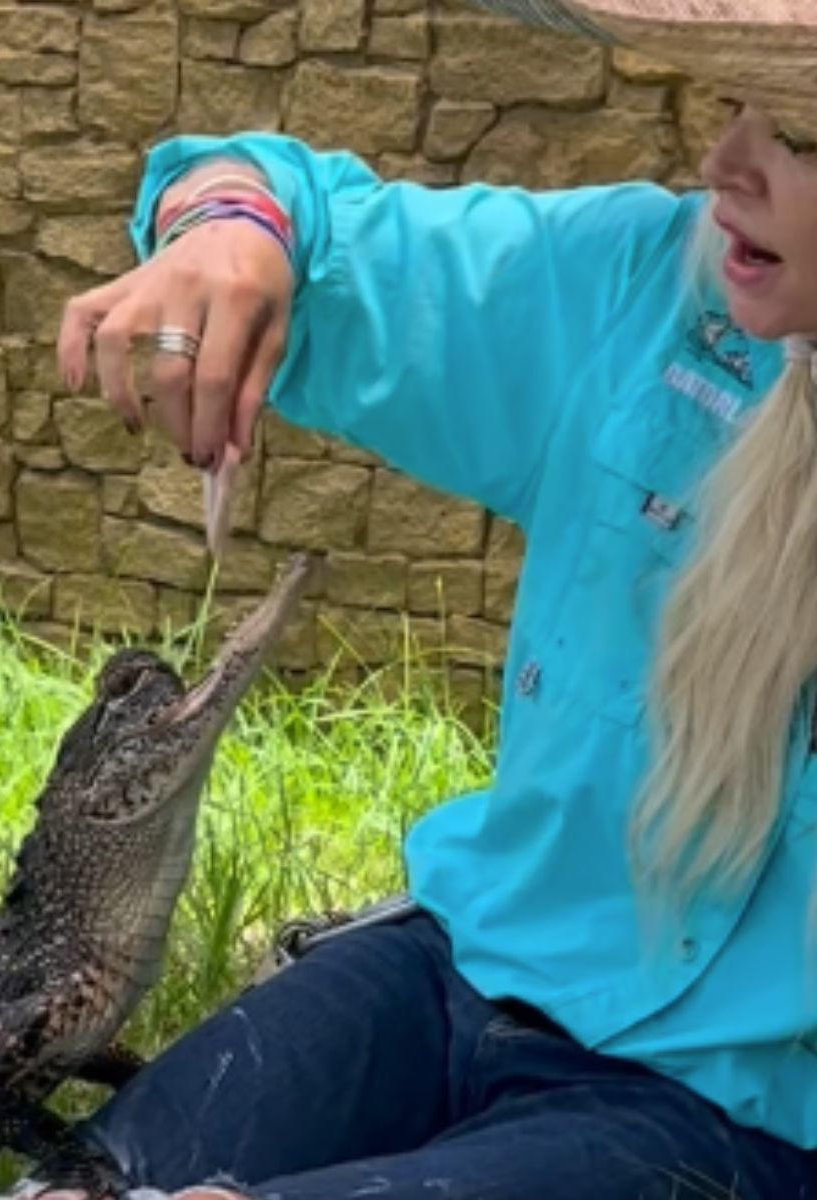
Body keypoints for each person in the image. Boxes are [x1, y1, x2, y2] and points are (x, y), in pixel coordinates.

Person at [41, 2, 817, 1197]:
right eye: (738, 107)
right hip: (458, 965)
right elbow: (283, 199)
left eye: (802, 133)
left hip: (733, 1116)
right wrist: (230, 235)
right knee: (76, 1189)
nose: (728, 160)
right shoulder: (644, 288)